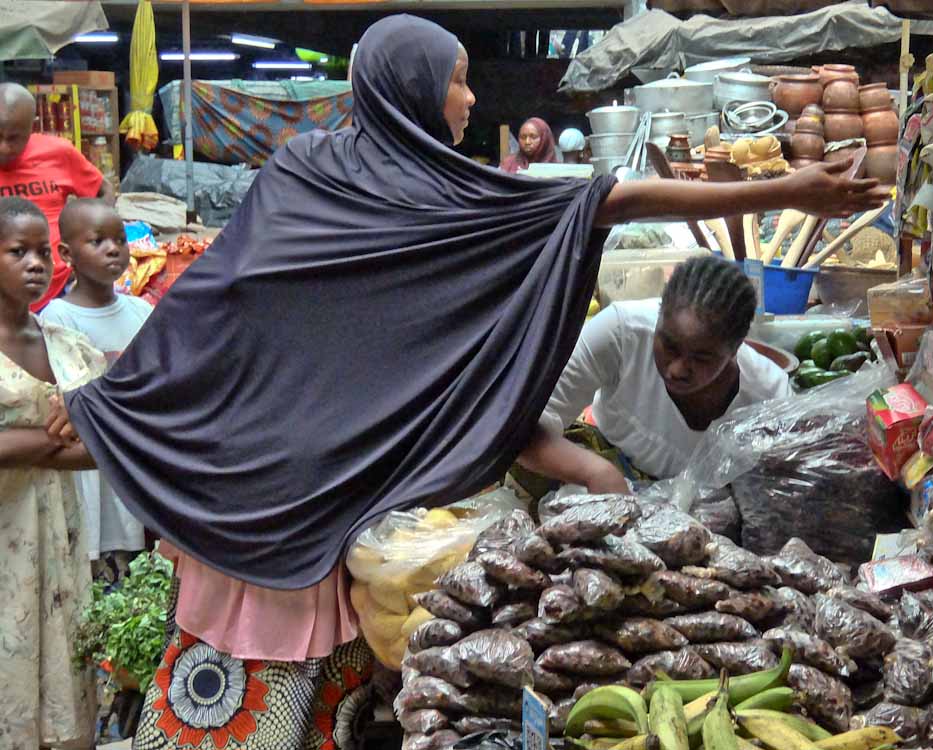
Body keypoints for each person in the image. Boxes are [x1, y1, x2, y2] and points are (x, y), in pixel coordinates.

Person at [45, 15, 885, 749]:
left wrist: (787, 190)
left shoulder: (451, 197)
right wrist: (115, 402)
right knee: (233, 697)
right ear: (410, 89)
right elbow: (215, 304)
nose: (473, 100)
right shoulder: (308, 174)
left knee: (327, 705)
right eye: (458, 81)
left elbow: (595, 205)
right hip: (261, 490)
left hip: (350, 505)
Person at [513, 255, 791, 497]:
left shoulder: (770, 396)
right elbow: (519, 428)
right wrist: (597, 472)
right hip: (606, 461)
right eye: (668, 345)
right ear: (658, 316)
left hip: (709, 506)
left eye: (701, 358)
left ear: (736, 347)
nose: (677, 369)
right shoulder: (621, 332)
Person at [0, 197, 104, 749]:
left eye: (43, 251)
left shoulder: (69, 347)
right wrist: (62, 431)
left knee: (61, 680)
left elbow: (103, 446)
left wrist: (23, 444)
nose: (35, 263)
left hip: (60, 545)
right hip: (5, 540)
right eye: (18, 251)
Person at [40, 199, 149, 578]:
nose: (113, 248)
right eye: (98, 241)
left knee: (136, 557)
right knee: (97, 554)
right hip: (90, 460)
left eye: (120, 239)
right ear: (67, 253)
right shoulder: (57, 318)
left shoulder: (142, 312)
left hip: (133, 454)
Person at [0, 83, 116, 311]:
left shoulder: (58, 153)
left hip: (60, 292)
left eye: (14, 138)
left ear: (31, 128)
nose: (4, 147)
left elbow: (103, 190)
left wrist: (93, 238)